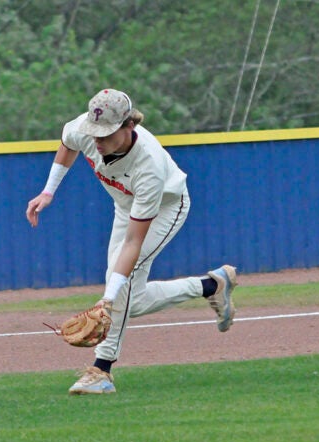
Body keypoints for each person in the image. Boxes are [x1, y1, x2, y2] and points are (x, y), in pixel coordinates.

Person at [26, 88, 237, 395]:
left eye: (107, 134)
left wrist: (107, 300)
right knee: (130, 301)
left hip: (165, 207)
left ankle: (101, 370)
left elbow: (133, 243)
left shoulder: (147, 165)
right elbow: (68, 143)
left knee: (119, 289)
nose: (98, 141)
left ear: (129, 126)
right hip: (125, 205)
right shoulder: (87, 129)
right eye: (94, 132)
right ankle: (211, 285)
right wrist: (48, 191)